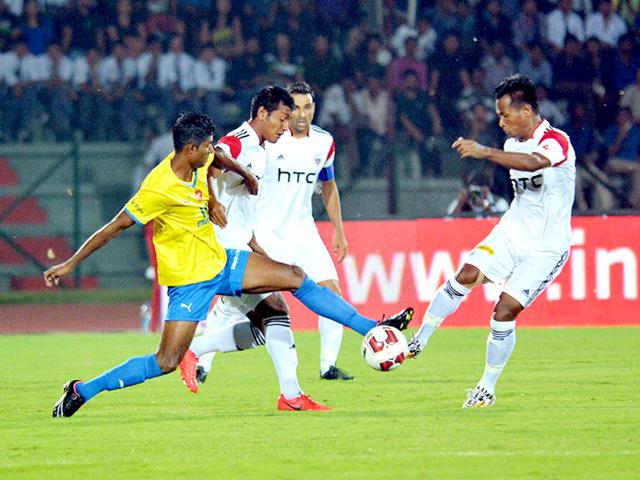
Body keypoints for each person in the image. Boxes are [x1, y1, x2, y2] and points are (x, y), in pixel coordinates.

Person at [47, 101, 412, 418]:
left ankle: (371, 330)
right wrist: (69, 264)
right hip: (190, 281)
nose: (212, 151)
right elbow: (113, 227)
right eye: (205, 146)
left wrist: (245, 175)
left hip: (222, 262)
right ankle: (83, 390)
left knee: (294, 278)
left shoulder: (196, 161)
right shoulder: (158, 187)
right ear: (190, 148)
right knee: (165, 362)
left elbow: (221, 157)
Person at [409, 75, 576, 408]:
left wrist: (485, 152)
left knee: (503, 311)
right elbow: (519, 167)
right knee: (466, 274)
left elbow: (534, 163)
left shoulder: (556, 141)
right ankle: (418, 341)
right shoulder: (512, 144)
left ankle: (486, 387)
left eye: (504, 115)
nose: (500, 122)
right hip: (511, 232)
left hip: (546, 248)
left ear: (526, 109)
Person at [193, 82, 354, 384]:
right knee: (246, 310)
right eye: (292, 110)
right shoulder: (268, 141)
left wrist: (339, 231)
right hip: (264, 232)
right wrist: (220, 198)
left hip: (303, 232)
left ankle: (327, 367)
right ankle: (201, 359)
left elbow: (328, 186)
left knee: (329, 294)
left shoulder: (323, 143)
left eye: (308, 107)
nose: (300, 115)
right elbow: (217, 159)